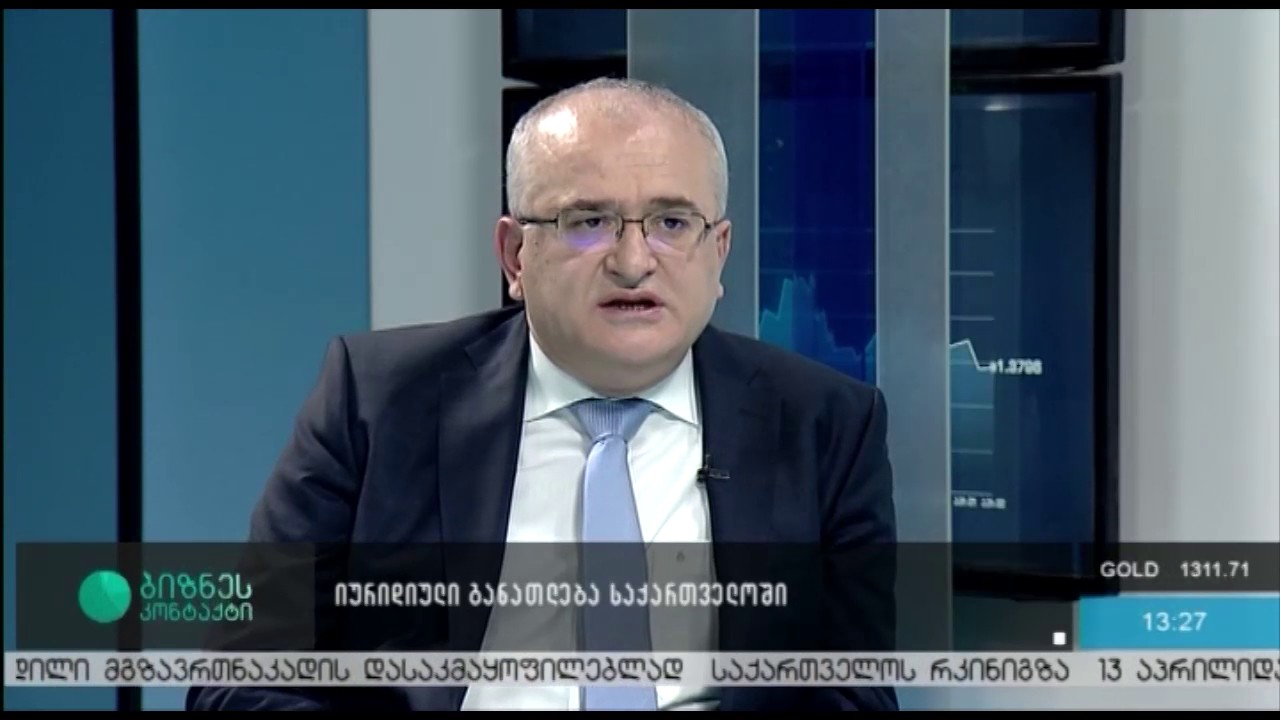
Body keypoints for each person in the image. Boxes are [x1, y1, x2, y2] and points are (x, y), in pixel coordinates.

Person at [187, 77, 897, 711]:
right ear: (514, 256)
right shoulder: (377, 401)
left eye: (673, 223)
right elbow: (239, 678)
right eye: (587, 222)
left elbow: (856, 693)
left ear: (719, 253)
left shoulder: (827, 425)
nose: (632, 261)